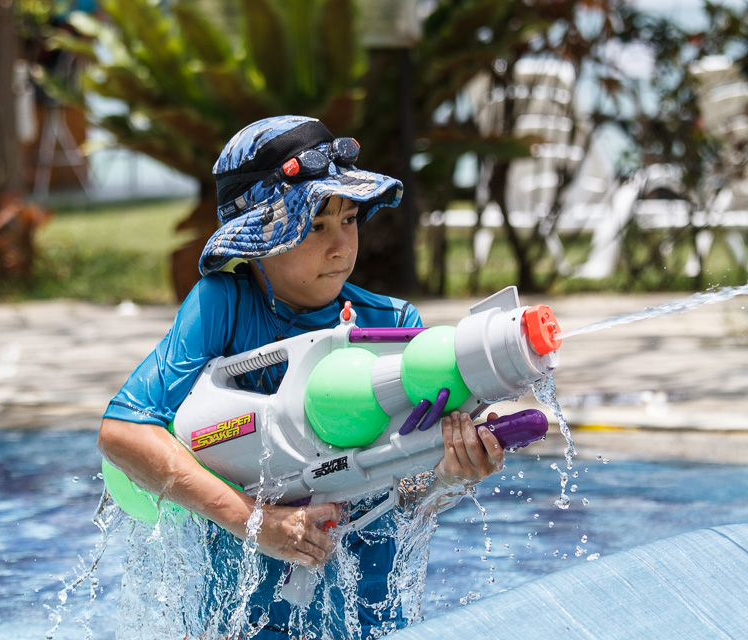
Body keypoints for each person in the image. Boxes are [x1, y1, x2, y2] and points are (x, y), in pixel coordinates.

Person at [97, 115, 504, 638]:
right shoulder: (224, 306)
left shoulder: (394, 325)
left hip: (369, 615)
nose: (342, 246)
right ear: (260, 237)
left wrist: (451, 472)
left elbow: (407, 494)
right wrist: (255, 521)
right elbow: (123, 431)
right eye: (315, 226)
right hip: (244, 616)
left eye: (349, 219)